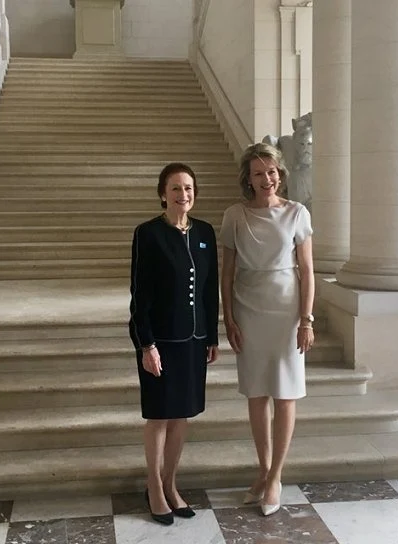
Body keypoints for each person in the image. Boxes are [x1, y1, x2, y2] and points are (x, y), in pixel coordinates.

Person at [219, 142, 314, 516]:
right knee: (256, 394)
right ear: (248, 178)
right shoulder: (234, 215)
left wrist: (306, 319)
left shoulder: (297, 213)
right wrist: (228, 317)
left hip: (286, 309)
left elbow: (307, 271)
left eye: (271, 171)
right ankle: (262, 469)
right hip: (248, 307)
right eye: (258, 173)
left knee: (285, 392)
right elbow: (226, 272)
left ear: (280, 174)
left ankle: (276, 476)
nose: (267, 179)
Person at [129, 162, 220, 525]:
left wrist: (211, 336)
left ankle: (171, 482)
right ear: (162, 194)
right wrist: (145, 344)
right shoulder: (148, 233)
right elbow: (139, 295)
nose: (184, 194)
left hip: (194, 341)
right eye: (176, 188)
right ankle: (153, 485)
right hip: (161, 341)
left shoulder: (205, 232)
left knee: (182, 414)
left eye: (188, 188)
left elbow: (210, 288)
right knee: (159, 415)